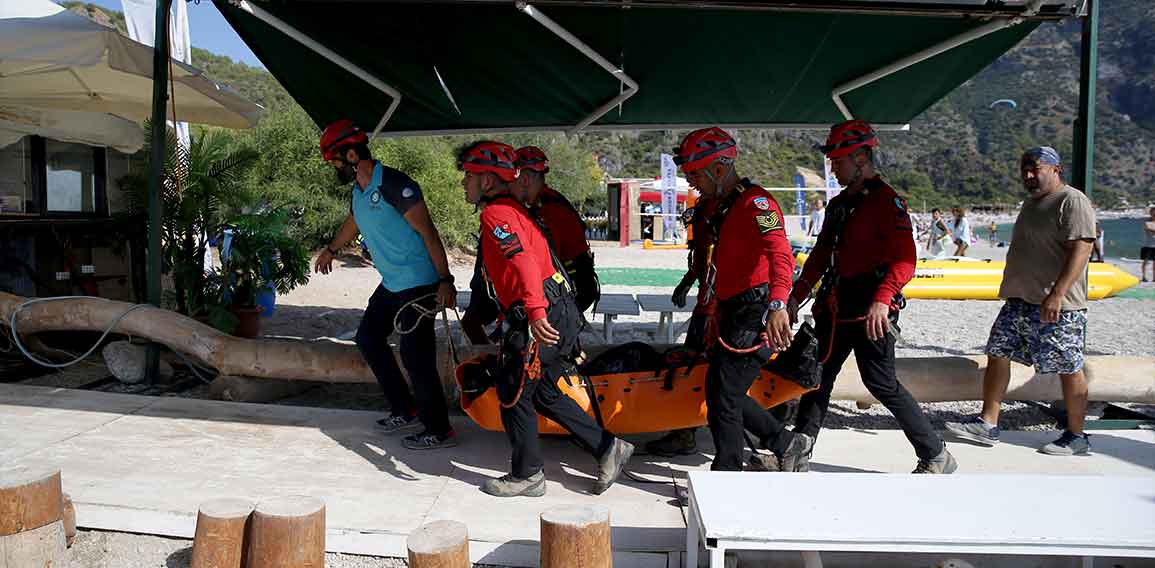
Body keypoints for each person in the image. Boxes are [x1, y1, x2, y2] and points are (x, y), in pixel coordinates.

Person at [458, 140, 632, 497]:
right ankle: (608, 448)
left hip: (542, 314)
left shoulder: (497, 214)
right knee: (546, 392)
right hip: (560, 309)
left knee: (515, 390)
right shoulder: (516, 209)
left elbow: (521, 261)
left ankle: (528, 475)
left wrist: (535, 313)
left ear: (487, 181)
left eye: (469, 176)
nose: (464, 184)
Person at [786, 119, 957, 474]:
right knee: (817, 377)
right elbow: (820, 255)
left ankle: (936, 454)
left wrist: (884, 298)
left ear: (862, 158)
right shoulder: (838, 206)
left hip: (871, 311)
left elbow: (906, 259)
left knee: (880, 382)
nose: (832, 167)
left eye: (838, 160)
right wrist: (796, 294)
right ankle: (796, 452)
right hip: (836, 308)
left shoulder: (886, 203)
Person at [945, 147, 1099, 456]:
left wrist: (1057, 294)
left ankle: (1077, 434)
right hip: (1020, 301)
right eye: (1024, 170)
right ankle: (988, 423)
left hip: (1058, 305)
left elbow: (1081, 250)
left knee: (1069, 367)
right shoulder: (1031, 203)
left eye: (1035, 169)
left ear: (1056, 169)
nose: (1028, 176)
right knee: (997, 352)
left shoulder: (1072, 201)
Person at [313, 120, 457, 450]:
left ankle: (439, 428)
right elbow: (353, 222)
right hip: (392, 282)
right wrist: (332, 249)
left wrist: (445, 280)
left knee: (415, 354)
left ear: (351, 155)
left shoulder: (396, 185)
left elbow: (429, 234)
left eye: (334, 160)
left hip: (421, 283)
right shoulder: (358, 192)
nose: (334, 167)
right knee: (368, 338)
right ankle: (404, 408)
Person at [673, 127, 807, 472]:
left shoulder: (757, 203)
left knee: (725, 397)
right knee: (720, 390)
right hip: (733, 310)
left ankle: (729, 474)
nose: (692, 184)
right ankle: (785, 443)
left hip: (757, 310)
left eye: (695, 175)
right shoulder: (721, 205)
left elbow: (781, 254)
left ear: (719, 169)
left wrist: (778, 305)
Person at [644, 190, 719, 457]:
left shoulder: (719, 214)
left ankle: (686, 434)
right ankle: (685, 431)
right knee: (692, 371)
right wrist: (686, 284)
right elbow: (701, 261)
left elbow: (710, 262)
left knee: (695, 372)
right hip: (706, 310)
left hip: (714, 315)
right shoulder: (708, 213)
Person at [515, 146, 601, 314]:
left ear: (525, 179)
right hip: (573, 286)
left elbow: (547, 261)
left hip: (571, 290)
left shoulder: (548, 211)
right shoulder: (549, 200)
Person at [1143, 207, 1155, 282]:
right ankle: (1144, 276)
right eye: (1153, 212)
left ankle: (1154, 278)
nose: (1154, 214)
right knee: (1145, 262)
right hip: (1148, 244)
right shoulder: (1147, 222)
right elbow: (1149, 231)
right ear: (1150, 213)